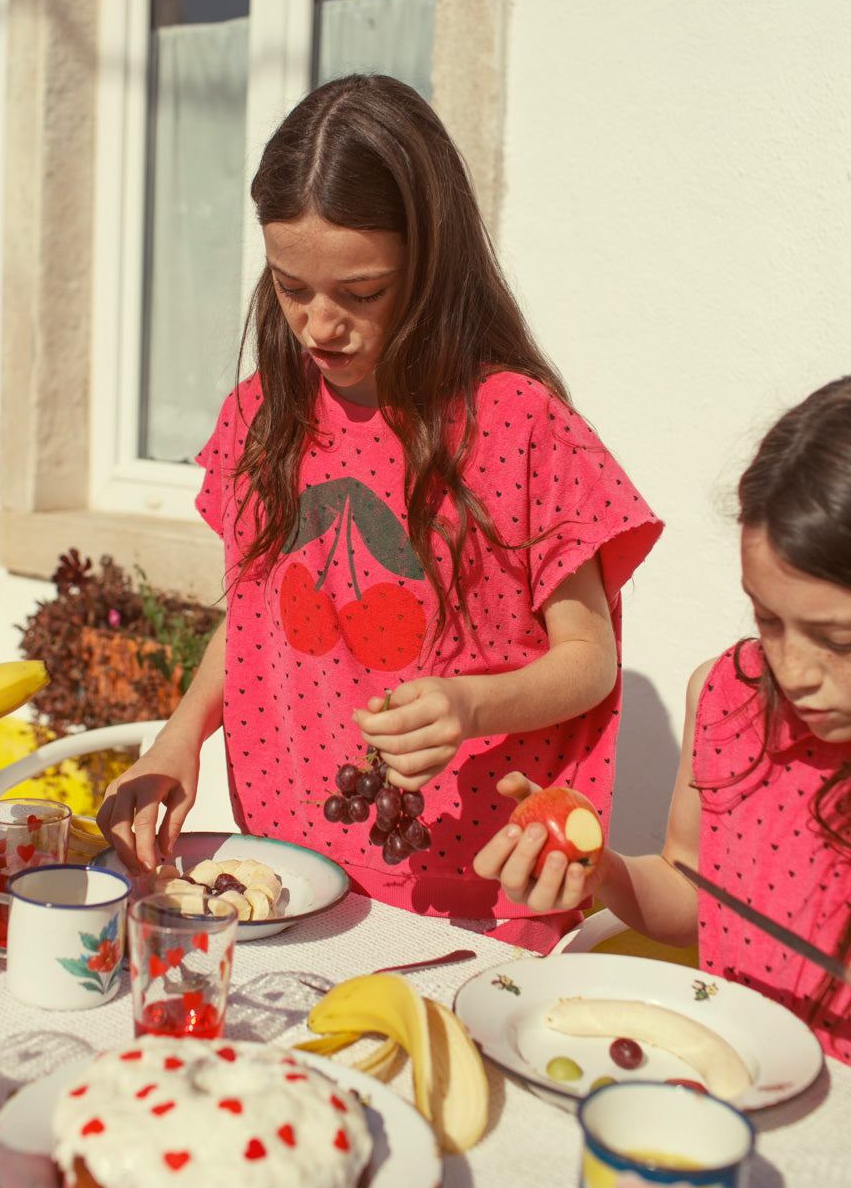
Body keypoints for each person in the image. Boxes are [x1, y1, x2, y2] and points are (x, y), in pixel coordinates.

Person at [99, 74, 661, 949]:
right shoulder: (261, 415)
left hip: (474, 890)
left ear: (432, 267)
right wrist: (180, 741)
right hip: (289, 862)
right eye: (291, 290)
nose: (320, 327)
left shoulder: (516, 422)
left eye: (360, 295)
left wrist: (474, 706)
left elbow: (589, 660)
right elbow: (253, 616)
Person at [475, 375, 851, 1059]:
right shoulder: (726, 697)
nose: (793, 671)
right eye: (767, 619)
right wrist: (603, 874)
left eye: (838, 639)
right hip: (734, 1084)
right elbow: (689, 889)